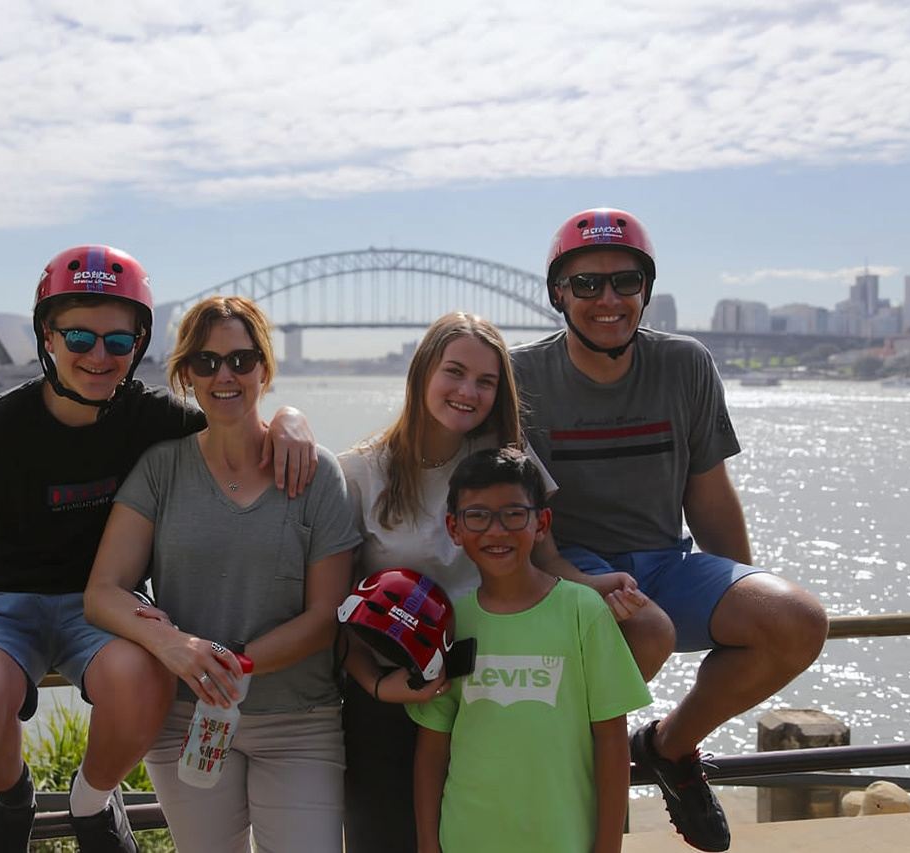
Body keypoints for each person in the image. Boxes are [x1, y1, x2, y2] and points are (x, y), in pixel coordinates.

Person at [0, 246, 317, 853]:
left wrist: (291, 418)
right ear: (47, 336)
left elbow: (235, 422)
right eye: (79, 337)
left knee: (143, 676)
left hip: (104, 606)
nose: (98, 357)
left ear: (138, 346)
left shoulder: (155, 421)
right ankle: (10, 795)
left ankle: (93, 803)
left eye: (118, 343)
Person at [510, 208, 829, 851]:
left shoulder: (686, 364)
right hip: (567, 571)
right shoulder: (521, 377)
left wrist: (742, 595)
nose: (608, 299)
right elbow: (512, 516)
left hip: (665, 564)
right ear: (558, 295)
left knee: (796, 620)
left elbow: (708, 497)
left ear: (646, 291)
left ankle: (667, 750)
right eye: (587, 284)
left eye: (626, 282)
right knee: (630, 637)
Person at [337, 312, 664, 853]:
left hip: (477, 679)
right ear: (422, 372)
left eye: (486, 381)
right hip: (394, 690)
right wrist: (377, 684)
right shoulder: (358, 473)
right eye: (455, 372)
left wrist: (597, 587)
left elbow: (546, 558)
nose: (468, 392)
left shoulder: (507, 460)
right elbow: (341, 608)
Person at [84, 295, 360, 853]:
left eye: (241, 359)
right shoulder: (162, 468)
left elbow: (324, 617)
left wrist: (232, 664)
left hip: (299, 720)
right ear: (186, 372)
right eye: (206, 363)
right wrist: (176, 647)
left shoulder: (316, 473)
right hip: (187, 720)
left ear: (265, 367)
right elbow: (103, 592)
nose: (224, 375)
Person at [409, 447, 652, 853]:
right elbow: (432, 746)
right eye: (478, 516)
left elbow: (611, 741)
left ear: (542, 523)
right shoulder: (452, 623)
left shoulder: (583, 612)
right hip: (466, 838)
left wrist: (608, 845)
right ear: (454, 527)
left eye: (513, 514)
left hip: (563, 838)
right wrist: (428, 844)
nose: (497, 530)